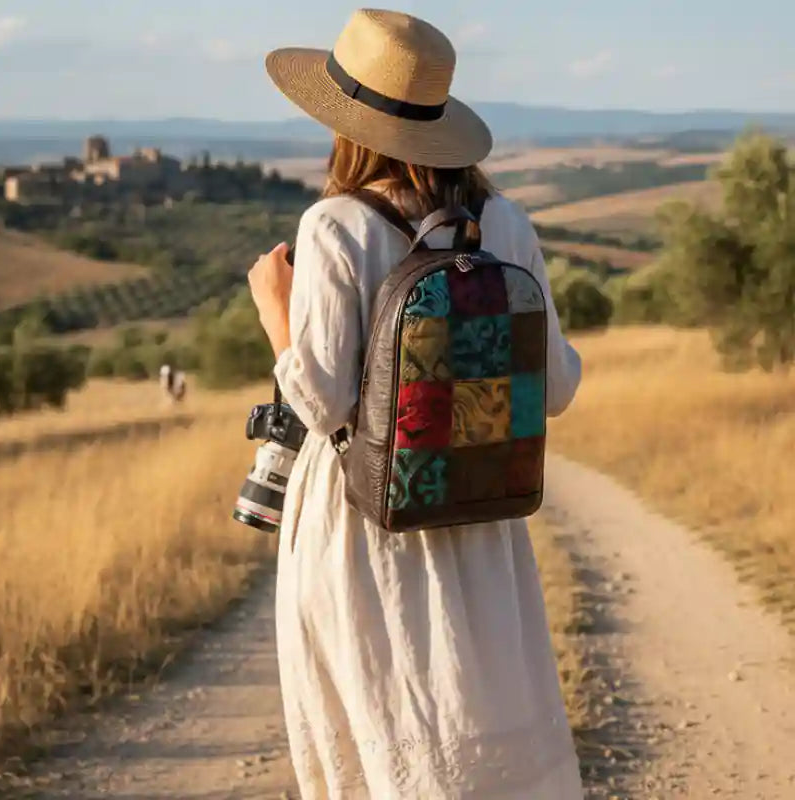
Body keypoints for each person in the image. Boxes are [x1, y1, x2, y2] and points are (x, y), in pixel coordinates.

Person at [248, 9, 584, 798]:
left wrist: (274, 310)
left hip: (366, 526)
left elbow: (325, 401)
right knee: (479, 721)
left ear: (343, 123)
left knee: (378, 721)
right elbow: (559, 387)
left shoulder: (336, 225)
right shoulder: (503, 221)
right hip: (481, 521)